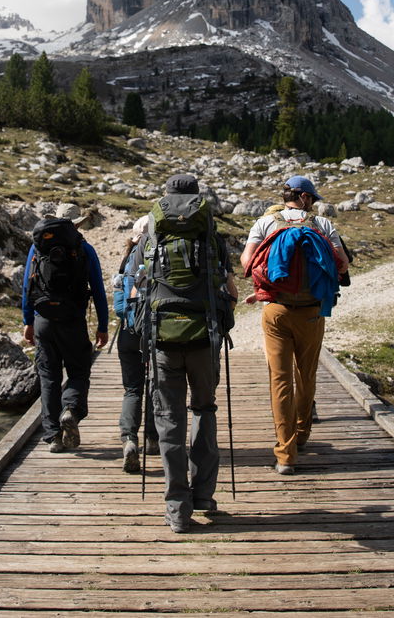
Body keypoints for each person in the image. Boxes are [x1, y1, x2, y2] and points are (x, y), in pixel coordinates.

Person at [136, 173, 237, 533]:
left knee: (169, 420)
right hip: (204, 338)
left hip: (162, 339)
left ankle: (177, 508)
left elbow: (136, 289)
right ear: (197, 198)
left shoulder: (150, 235)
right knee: (204, 410)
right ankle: (204, 495)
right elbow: (229, 288)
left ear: (165, 198)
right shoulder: (211, 236)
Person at [239, 175, 348, 476]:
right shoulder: (322, 225)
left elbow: (247, 262)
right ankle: (302, 434)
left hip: (276, 310)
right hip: (312, 311)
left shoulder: (264, 224)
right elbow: (342, 264)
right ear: (305, 198)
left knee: (280, 379)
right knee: (306, 375)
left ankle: (285, 455)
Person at [22, 215, 109, 452]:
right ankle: (70, 409)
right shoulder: (84, 248)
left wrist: (28, 321)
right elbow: (98, 289)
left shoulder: (37, 247)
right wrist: (103, 325)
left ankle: (54, 437)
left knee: (49, 377)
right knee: (79, 371)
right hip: (73, 320)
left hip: (43, 320)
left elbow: (27, 285)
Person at [113, 215, 158, 473]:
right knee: (154, 385)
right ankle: (152, 439)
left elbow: (119, 307)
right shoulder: (158, 253)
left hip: (129, 331)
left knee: (132, 389)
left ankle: (129, 438)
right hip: (153, 331)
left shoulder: (127, 259)